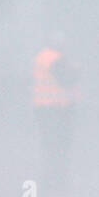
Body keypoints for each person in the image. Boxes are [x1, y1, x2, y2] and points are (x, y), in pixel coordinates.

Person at [32, 32, 79, 188]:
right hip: (56, 109)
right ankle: (57, 181)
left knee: (49, 146)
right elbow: (67, 79)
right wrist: (77, 70)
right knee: (59, 147)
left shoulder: (42, 56)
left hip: (44, 109)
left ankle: (50, 180)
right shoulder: (56, 59)